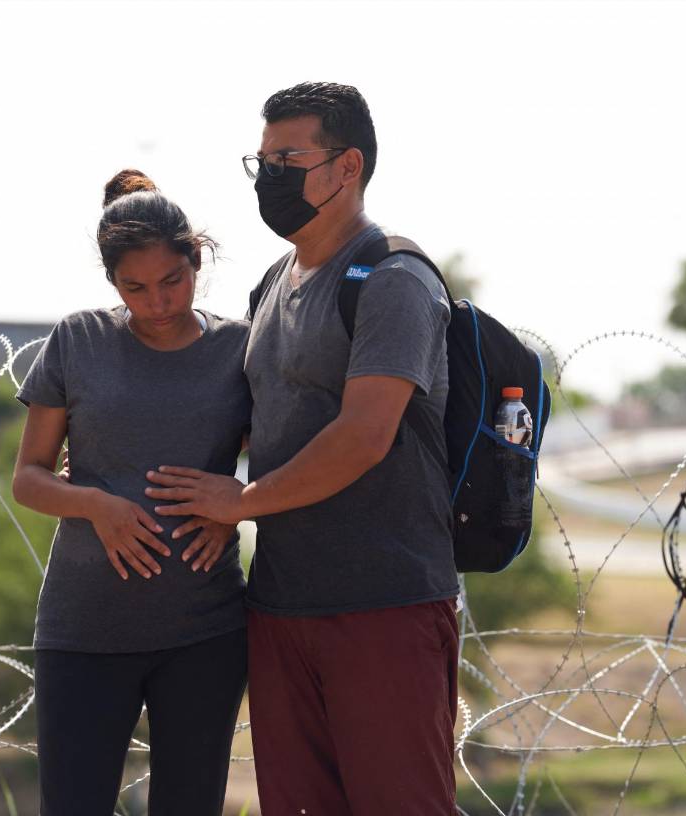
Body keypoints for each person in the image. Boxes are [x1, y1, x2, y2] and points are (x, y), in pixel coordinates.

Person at [146, 82, 460, 814]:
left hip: (385, 604)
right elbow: (243, 422)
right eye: (262, 162)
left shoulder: (393, 278)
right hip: (283, 606)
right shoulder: (269, 288)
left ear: (346, 167)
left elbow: (363, 435)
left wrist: (244, 502)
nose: (270, 178)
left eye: (288, 158)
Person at [11, 170, 250, 815]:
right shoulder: (78, 339)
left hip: (205, 629)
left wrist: (235, 502)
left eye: (173, 280)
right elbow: (28, 478)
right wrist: (97, 504)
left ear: (196, 261)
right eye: (135, 287)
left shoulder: (240, 348)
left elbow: (275, 471)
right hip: (83, 630)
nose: (158, 301)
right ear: (112, 282)